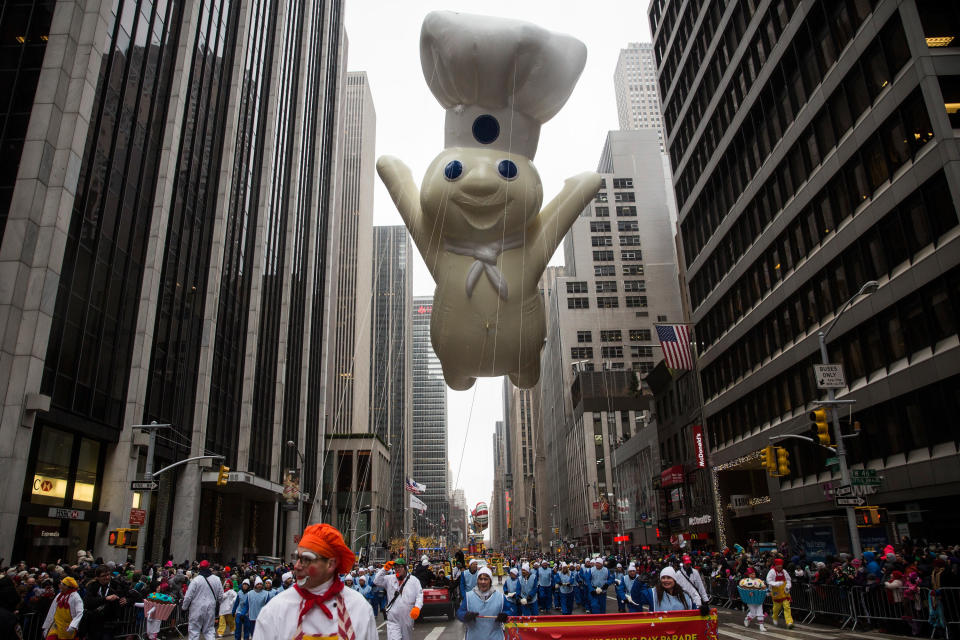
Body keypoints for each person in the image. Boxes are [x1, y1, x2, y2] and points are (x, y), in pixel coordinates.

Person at [252, 523, 376, 640]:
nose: (297, 566)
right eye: (297, 558)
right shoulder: (275, 610)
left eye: (306, 559)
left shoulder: (359, 609)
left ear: (330, 564)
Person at [374, 558, 423, 640]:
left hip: (407, 617)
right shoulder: (389, 579)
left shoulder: (414, 581)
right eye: (395, 567)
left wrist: (417, 607)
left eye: (400, 567)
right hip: (393, 618)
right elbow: (376, 581)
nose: (397, 569)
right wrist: (384, 569)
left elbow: (419, 595)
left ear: (405, 568)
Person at [457, 567, 508, 640]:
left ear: (490, 581)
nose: (483, 582)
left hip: (495, 637)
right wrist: (465, 615)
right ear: (477, 581)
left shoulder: (500, 597)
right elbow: (460, 612)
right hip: (474, 637)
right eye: (480, 579)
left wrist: (505, 615)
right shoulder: (469, 596)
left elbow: (510, 612)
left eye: (486, 579)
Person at [630, 567, 704, 613]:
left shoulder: (685, 595)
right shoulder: (653, 593)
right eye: (663, 578)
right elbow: (636, 599)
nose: (665, 580)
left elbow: (693, 610)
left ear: (674, 580)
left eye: (669, 577)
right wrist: (638, 582)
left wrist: (702, 610)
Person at [82, 565, 128, 640]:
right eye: (103, 576)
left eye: (108, 575)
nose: (107, 578)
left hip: (109, 622)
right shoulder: (92, 586)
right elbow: (87, 601)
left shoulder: (116, 585)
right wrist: (105, 599)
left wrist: (127, 600)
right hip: (94, 622)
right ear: (97, 577)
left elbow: (133, 595)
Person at [182, 559, 222, 640]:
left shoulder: (196, 580)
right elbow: (221, 596)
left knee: (194, 630)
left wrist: (184, 607)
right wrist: (218, 605)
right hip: (210, 607)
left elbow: (188, 596)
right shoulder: (217, 579)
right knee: (209, 630)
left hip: (196, 608)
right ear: (209, 567)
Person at [766, 558, 793, 628]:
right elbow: (768, 580)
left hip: (784, 591)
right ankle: (774, 617)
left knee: (787, 606)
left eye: (781, 567)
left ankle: (789, 622)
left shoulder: (784, 571)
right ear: (775, 566)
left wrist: (788, 586)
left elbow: (788, 580)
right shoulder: (772, 572)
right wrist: (776, 584)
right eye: (778, 567)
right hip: (776, 592)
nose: (780, 568)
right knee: (776, 607)